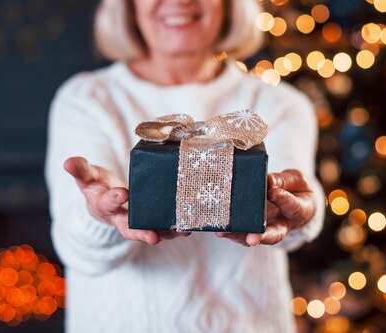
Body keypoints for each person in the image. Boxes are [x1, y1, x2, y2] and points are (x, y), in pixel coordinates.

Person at [45, 0, 325, 331]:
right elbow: (76, 246)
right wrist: (101, 215)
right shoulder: (85, 99)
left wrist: (298, 211)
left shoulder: (279, 105)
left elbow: (297, 196)